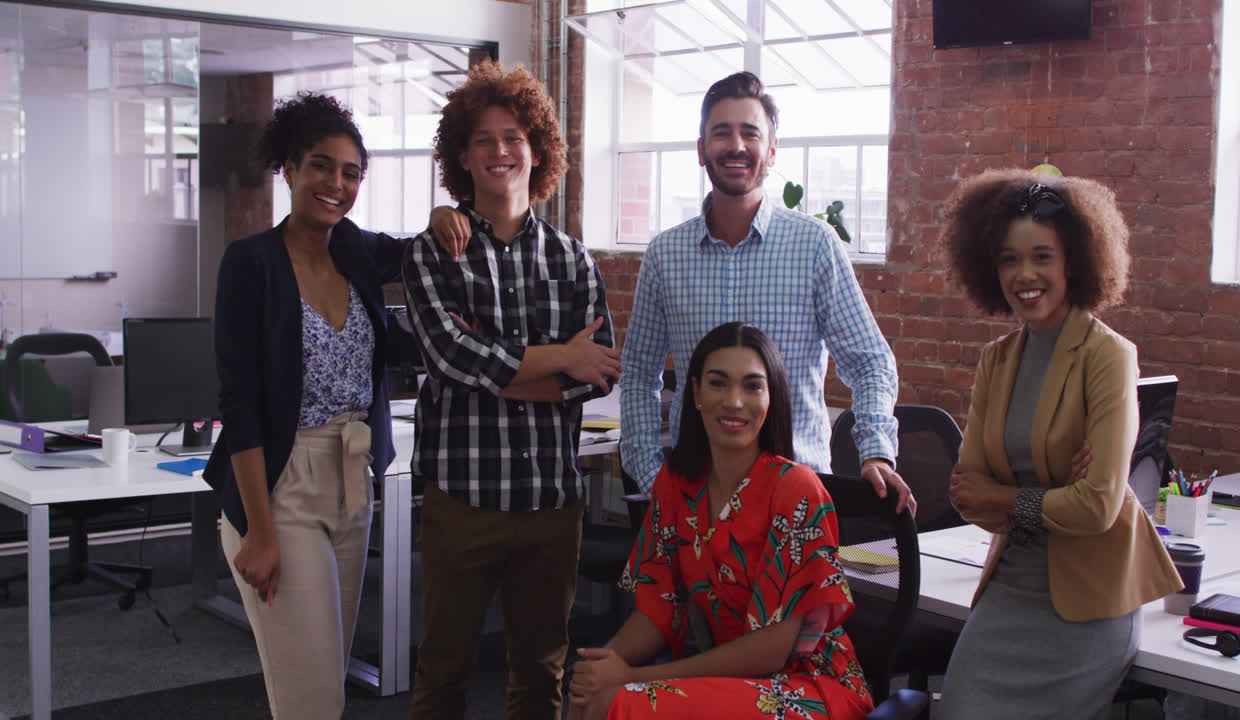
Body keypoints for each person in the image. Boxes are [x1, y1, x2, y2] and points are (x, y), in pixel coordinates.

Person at [427, 72, 912, 515]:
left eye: (750, 133)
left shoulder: (814, 246)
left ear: (772, 149)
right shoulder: (667, 254)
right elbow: (638, 374)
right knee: (689, 615)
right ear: (702, 149)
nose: (736, 145)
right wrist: (649, 473)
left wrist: (875, 451)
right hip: (694, 497)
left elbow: (870, 360)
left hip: (794, 493)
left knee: (788, 615)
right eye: (721, 133)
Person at [401, 59, 618, 720]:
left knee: (541, 674)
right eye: (485, 139)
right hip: (463, 500)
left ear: (537, 150)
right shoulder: (433, 253)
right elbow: (450, 359)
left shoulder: (573, 260)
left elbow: (598, 375)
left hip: (553, 502)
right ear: (462, 156)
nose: (501, 151)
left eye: (514, 137)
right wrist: (560, 361)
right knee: (443, 673)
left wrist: (500, 368)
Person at [936, 169, 1182, 720]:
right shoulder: (996, 361)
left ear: (1075, 260)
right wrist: (1052, 497)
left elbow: (1096, 508)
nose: (1025, 274)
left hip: (1087, 607)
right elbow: (966, 496)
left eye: (1042, 256)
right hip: (1010, 588)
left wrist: (1008, 497)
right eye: (1008, 258)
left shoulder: (1108, 357)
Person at [203, 92, 407, 719]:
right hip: (280, 487)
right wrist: (261, 532)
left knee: (324, 686)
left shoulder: (357, 253)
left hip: (354, 483)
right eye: (321, 165)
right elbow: (237, 402)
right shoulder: (251, 263)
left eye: (350, 173)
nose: (335, 184)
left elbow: (429, 252)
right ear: (289, 169)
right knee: (311, 700)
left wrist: (443, 216)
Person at [566, 321, 873, 720]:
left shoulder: (796, 489)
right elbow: (659, 608)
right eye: (718, 383)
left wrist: (632, 677)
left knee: (621, 702)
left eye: (752, 386)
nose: (734, 401)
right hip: (731, 679)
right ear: (695, 393)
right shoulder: (675, 484)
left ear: (771, 398)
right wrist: (604, 665)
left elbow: (773, 648)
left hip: (808, 685)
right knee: (590, 696)